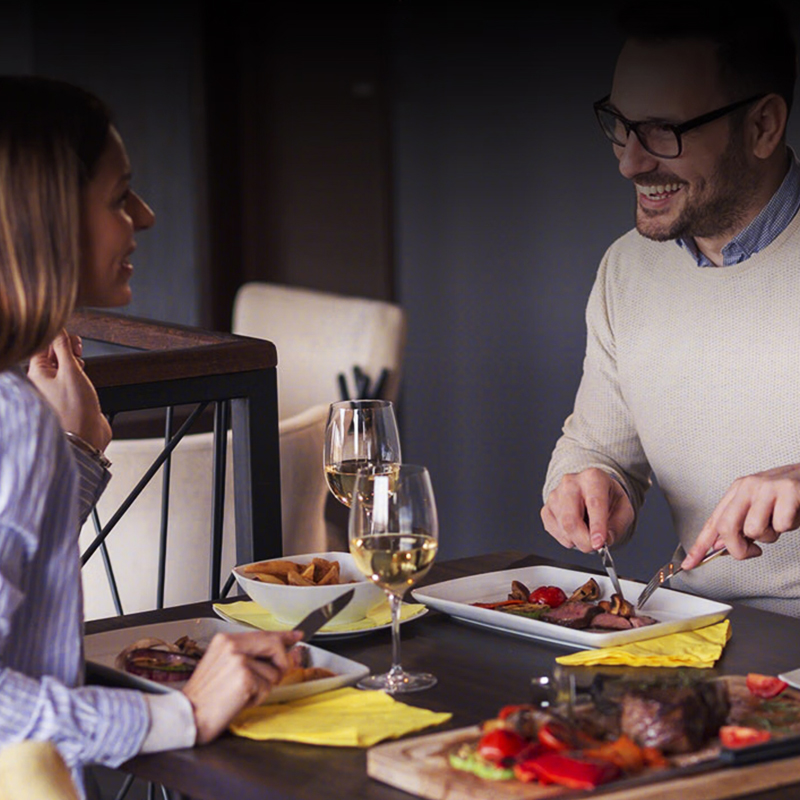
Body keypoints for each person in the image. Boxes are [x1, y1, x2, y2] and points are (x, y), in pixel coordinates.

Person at [0, 75, 301, 797]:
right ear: (46, 218)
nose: (145, 215)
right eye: (120, 196)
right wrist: (182, 713)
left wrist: (74, 454)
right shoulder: (13, 417)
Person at [541, 1, 800, 615]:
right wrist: (589, 482)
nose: (630, 161)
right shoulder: (626, 268)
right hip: (702, 624)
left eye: (664, 131)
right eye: (621, 125)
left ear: (763, 126)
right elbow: (598, 447)